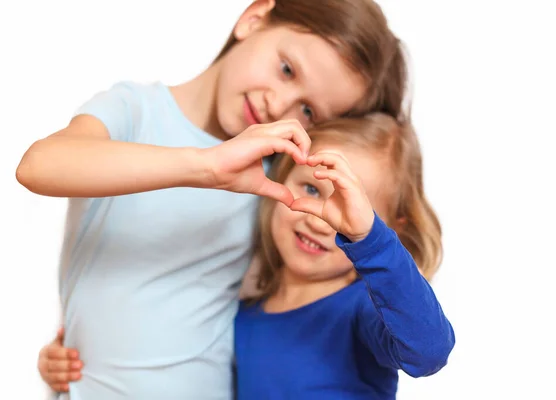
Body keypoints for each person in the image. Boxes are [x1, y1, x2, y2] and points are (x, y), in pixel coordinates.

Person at [17, 0, 410, 398]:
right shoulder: (134, 112)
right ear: (253, 18)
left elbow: (308, 300)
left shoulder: (277, 183)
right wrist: (205, 165)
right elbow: (38, 166)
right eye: (287, 69)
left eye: (308, 110)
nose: (278, 104)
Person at [38, 113, 455, 399]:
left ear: (390, 226)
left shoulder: (361, 310)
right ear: (281, 180)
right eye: (311, 189)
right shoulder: (244, 311)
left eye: (350, 206)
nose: (322, 220)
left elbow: (429, 352)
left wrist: (370, 239)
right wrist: (68, 356)